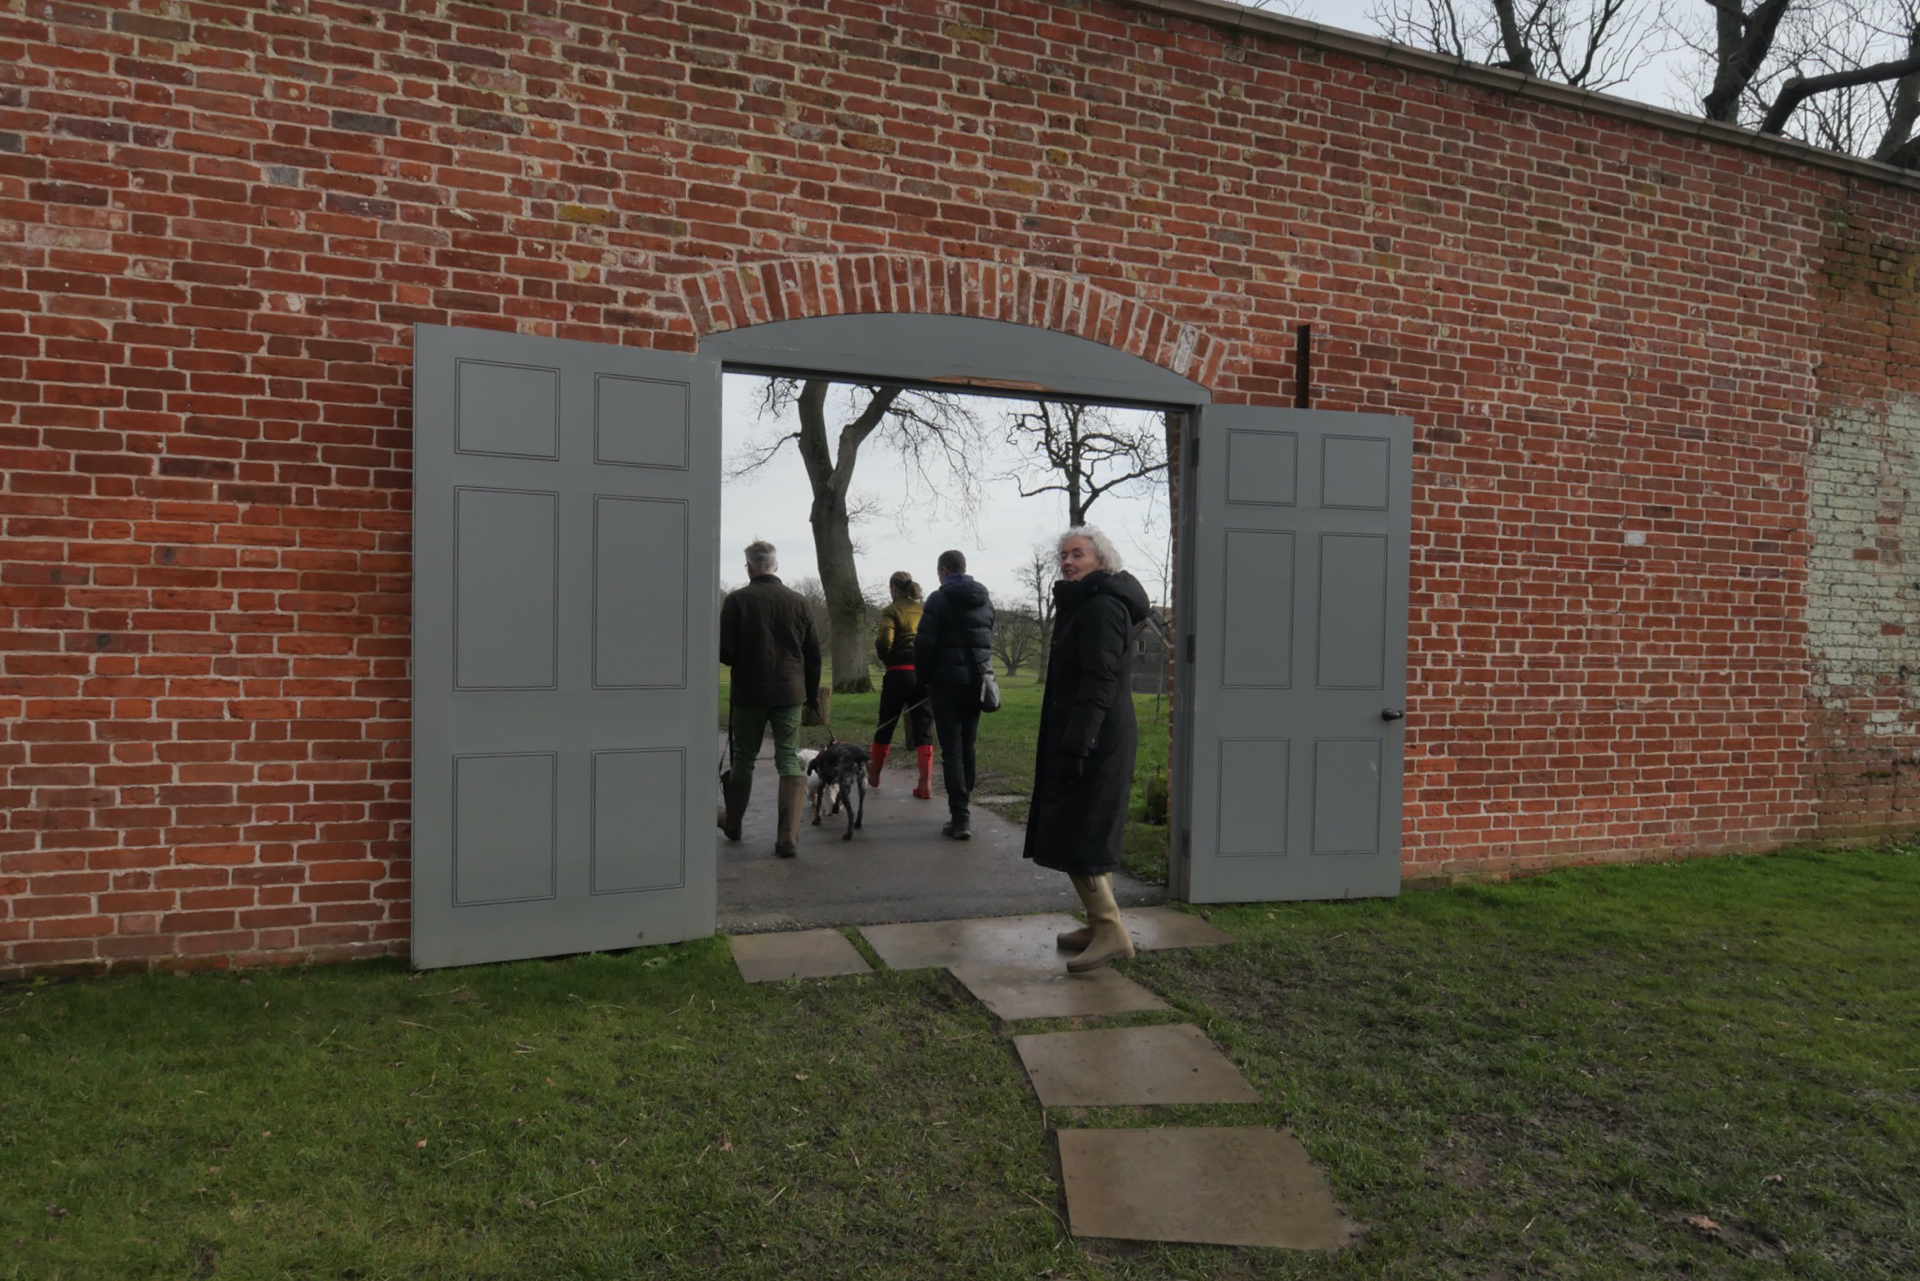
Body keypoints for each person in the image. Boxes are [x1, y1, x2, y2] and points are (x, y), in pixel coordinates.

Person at [1023, 526, 1150, 972]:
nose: (1067, 562)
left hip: (1095, 735)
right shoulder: (1086, 603)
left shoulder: (1101, 607)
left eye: (1078, 554)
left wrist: (1081, 743)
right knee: (1085, 829)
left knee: (1080, 831)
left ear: (1101, 560)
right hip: (1088, 730)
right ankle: (1100, 923)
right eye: (1063, 555)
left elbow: (1100, 679)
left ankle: (1111, 930)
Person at [718, 539, 821, 858]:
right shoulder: (799, 602)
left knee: (744, 758)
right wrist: (812, 696)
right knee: (788, 757)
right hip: (790, 692)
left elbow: (726, 654)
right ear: (775, 565)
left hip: (749, 692)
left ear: (749, 567)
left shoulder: (737, 601)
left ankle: (733, 824)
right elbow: (813, 655)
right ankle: (787, 837)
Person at [914, 549, 994, 840]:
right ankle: (964, 802)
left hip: (946, 685)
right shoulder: (985, 600)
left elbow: (924, 644)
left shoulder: (938, 599)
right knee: (968, 745)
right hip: (976, 684)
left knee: (952, 750)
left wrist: (924, 681)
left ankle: (960, 816)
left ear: (944, 571)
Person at [869, 570, 936, 799]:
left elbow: (883, 641)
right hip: (922, 674)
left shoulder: (891, 610)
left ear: (893, 588)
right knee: (923, 729)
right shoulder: (924, 610)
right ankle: (925, 784)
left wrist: (887, 658)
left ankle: (874, 776)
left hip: (898, 673)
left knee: (886, 724)